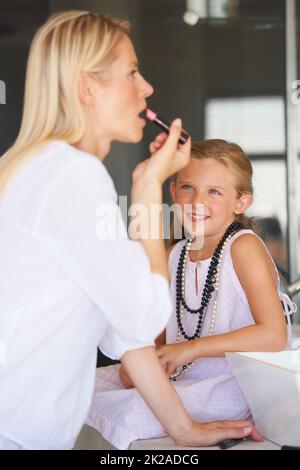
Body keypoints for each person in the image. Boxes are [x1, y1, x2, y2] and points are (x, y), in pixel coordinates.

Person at [0, 12, 260, 450]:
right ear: (87, 88)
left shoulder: (41, 168)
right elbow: (145, 316)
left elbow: (126, 329)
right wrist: (146, 187)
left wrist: (183, 429)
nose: (146, 88)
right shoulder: (72, 175)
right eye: (132, 72)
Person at [86, 139, 294, 449]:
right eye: (187, 188)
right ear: (172, 192)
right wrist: (141, 366)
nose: (197, 201)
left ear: (240, 202)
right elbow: (157, 335)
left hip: (233, 386)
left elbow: (274, 335)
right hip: (182, 376)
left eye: (214, 192)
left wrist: (191, 349)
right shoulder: (174, 255)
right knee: (83, 389)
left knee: (130, 410)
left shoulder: (244, 247)